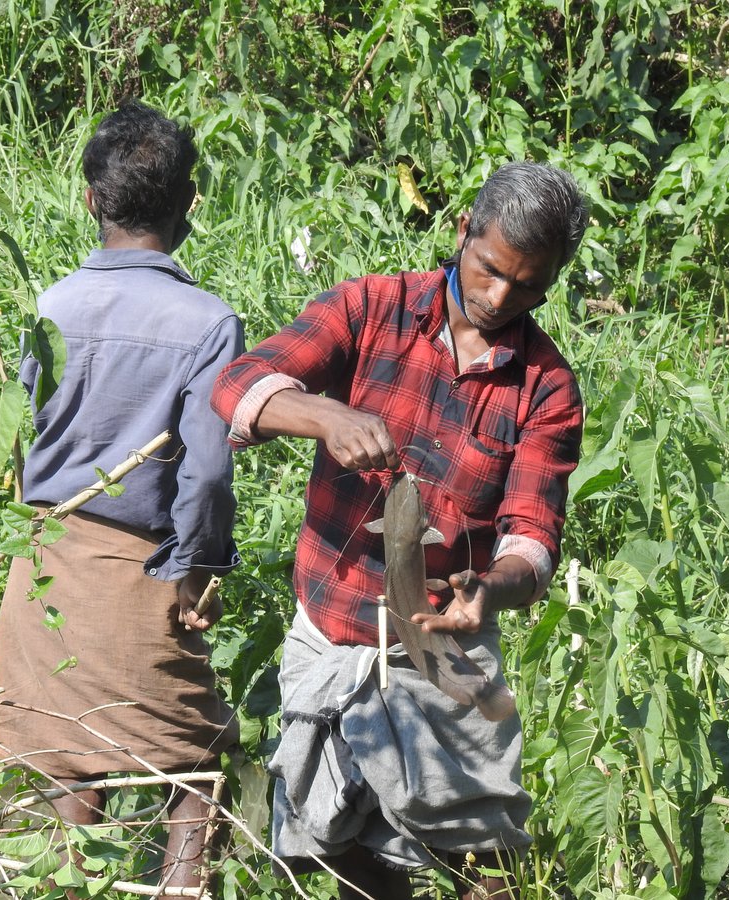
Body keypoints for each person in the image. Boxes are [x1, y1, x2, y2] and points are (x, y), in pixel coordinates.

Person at [211, 162, 588, 899]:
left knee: (485, 857)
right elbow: (237, 384)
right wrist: (327, 415)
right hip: (330, 630)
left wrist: (491, 591)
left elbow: (534, 536)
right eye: (489, 270)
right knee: (331, 840)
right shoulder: (371, 308)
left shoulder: (545, 385)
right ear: (462, 235)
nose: (499, 297)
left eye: (528, 286)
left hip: (443, 647)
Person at [0, 101, 243, 892]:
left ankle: (74, 884)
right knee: (194, 761)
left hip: (51, 559)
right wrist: (198, 567)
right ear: (188, 204)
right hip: (144, 569)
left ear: (90, 200)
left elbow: (25, 431)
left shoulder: (52, 305)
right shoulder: (208, 322)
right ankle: (181, 887)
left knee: (68, 755)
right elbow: (204, 470)